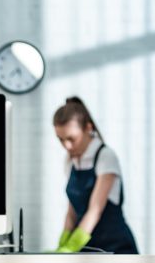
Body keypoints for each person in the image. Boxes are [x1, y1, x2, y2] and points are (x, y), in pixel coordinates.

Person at [52, 96, 138, 253]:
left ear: (88, 128)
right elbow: (72, 210)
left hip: (116, 248)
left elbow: (95, 210)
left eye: (71, 139)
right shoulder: (70, 160)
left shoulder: (105, 156)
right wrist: (63, 242)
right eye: (61, 139)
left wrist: (71, 247)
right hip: (87, 247)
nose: (66, 146)